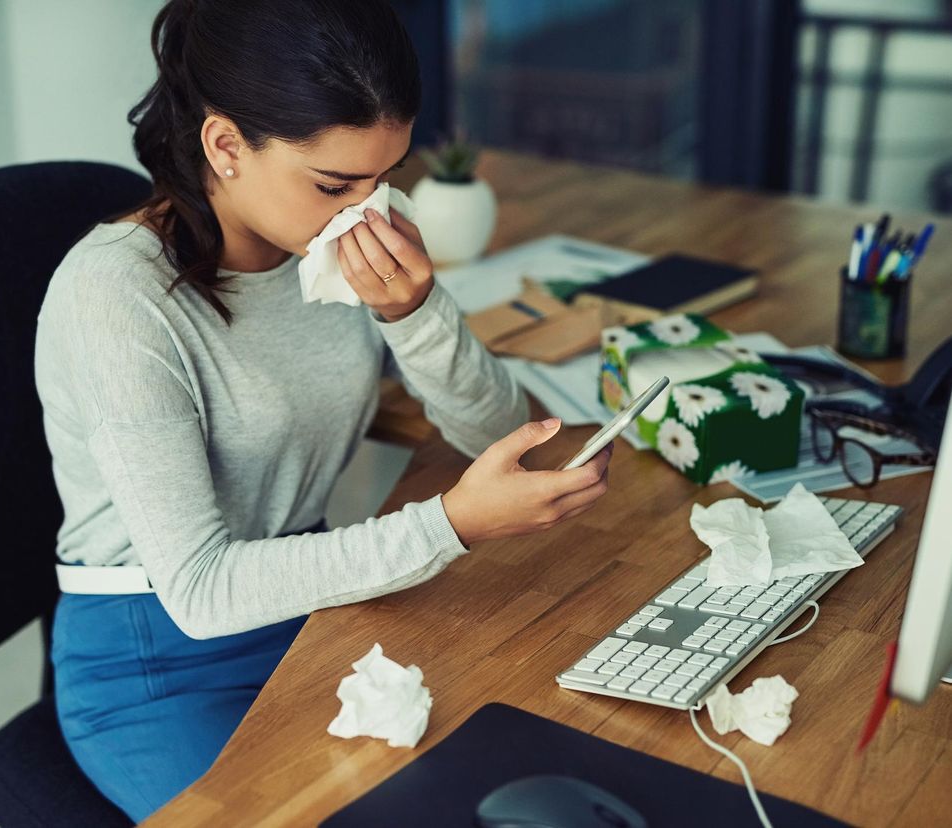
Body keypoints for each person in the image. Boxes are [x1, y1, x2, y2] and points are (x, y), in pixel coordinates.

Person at [34, 0, 612, 820]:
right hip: (159, 655)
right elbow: (199, 590)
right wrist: (449, 525)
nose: (365, 211)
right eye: (336, 184)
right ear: (226, 145)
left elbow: (497, 433)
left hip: (313, 607)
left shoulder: (339, 238)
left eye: (386, 178)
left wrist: (415, 312)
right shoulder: (116, 296)